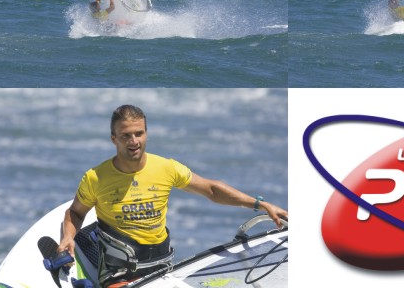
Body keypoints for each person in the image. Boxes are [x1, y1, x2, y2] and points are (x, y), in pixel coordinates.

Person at [56, 105, 287, 286]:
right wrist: (68, 237)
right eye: (126, 135)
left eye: (139, 133)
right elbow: (75, 213)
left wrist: (261, 204)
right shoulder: (96, 178)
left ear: (146, 134)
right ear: (114, 139)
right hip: (120, 276)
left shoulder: (166, 168)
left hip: (162, 271)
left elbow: (211, 189)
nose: (134, 141)